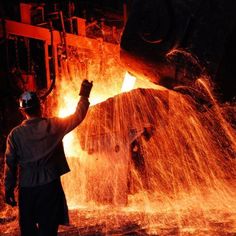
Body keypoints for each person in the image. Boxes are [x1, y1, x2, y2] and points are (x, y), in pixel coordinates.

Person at [4, 79, 93, 236]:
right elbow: (77, 116)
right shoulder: (53, 126)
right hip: (49, 186)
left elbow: (10, 165)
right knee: (48, 229)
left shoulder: (15, 135)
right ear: (40, 106)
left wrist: (9, 190)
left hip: (27, 189)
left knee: (29, 230)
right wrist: (84, 94)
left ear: (22, 111)